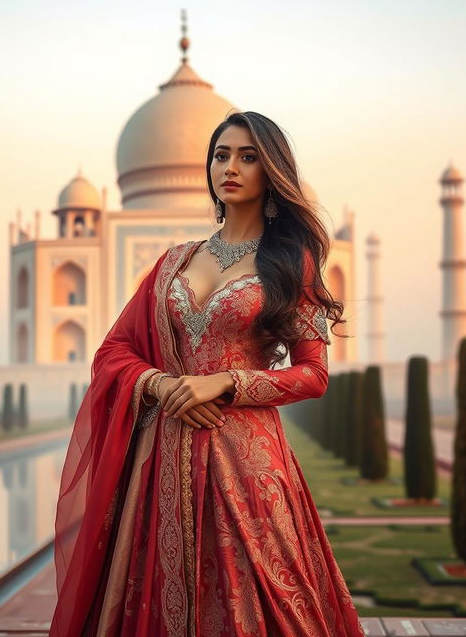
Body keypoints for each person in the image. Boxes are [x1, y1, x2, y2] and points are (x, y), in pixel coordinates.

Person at [50, 111, 365, 636]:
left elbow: (313, 375)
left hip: (244, 459)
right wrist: (164, 384)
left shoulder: (292, 264)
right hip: (161, 455)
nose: (231, 167)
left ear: (272, 172)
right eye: (221, 155)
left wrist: (228, 383)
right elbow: (113, 350)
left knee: (263, 598)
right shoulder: (174, 261)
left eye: (248, 157)